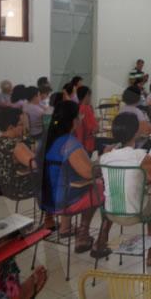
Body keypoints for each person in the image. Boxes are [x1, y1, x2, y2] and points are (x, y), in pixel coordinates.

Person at [95, 113, 151, 265]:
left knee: (149, 191)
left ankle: (102, 238)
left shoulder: (105, 157)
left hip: (110, 212)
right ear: (136, 132)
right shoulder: (139, 156)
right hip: (136, 213)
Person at [40, 101, 102, 251]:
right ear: (74, 121)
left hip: (45, 198)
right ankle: (83, 234)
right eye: (79, 116)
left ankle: (65, 227)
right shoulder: (69, 143)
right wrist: (103, 159)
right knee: (100, 186)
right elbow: (88, 173)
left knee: (69, 181)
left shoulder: (46, 140)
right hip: (63, 201)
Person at [0, 108, 36, 200]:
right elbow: (36, 164)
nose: (24, 127)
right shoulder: (16, 146)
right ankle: (55, 212)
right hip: (18, 190)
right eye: (21, 124)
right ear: (10, 127)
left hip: (1, 189)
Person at [118, 86, 151, 153]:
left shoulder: (121, 111)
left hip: (124, 145)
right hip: (138, 146)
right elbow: (146, 133)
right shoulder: (138, 112)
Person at [74, 86, 99, 154]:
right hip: (87, 144)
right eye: (90, 96)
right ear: (86, 96)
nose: (91, 98)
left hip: (79, 143)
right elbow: (92, 129)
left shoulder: (78, 107)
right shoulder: (85, 108)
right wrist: (97, 126)